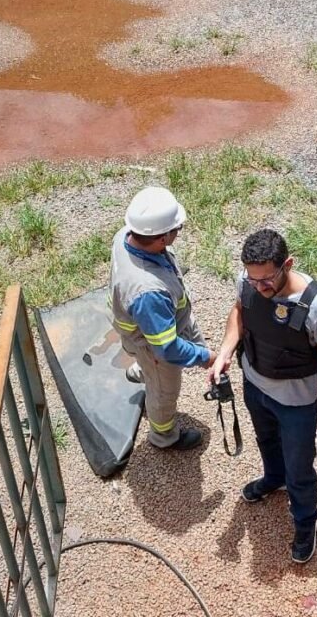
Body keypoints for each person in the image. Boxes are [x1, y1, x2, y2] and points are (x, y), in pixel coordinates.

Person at [209, 229, 317, 563]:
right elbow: (240, 312)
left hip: (295, 403)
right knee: (266, 441)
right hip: (255, 386)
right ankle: (273, 478)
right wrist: (226, 350)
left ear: (288, 263)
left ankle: (305, 523)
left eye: (267, 280)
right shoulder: (250, 280)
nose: (259, 287)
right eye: (253, 280)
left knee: (300, 468)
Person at [108, 186, 217, 451]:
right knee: (163, 392)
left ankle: (141, 371)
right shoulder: (149, 292)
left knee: (150, 367)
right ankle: (164, 436)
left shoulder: (125, 234)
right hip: (152, 345)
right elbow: (167, 348)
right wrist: (205, 358)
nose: (179, 232)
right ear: (160, 239)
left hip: (149, 329)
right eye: (176, 229)